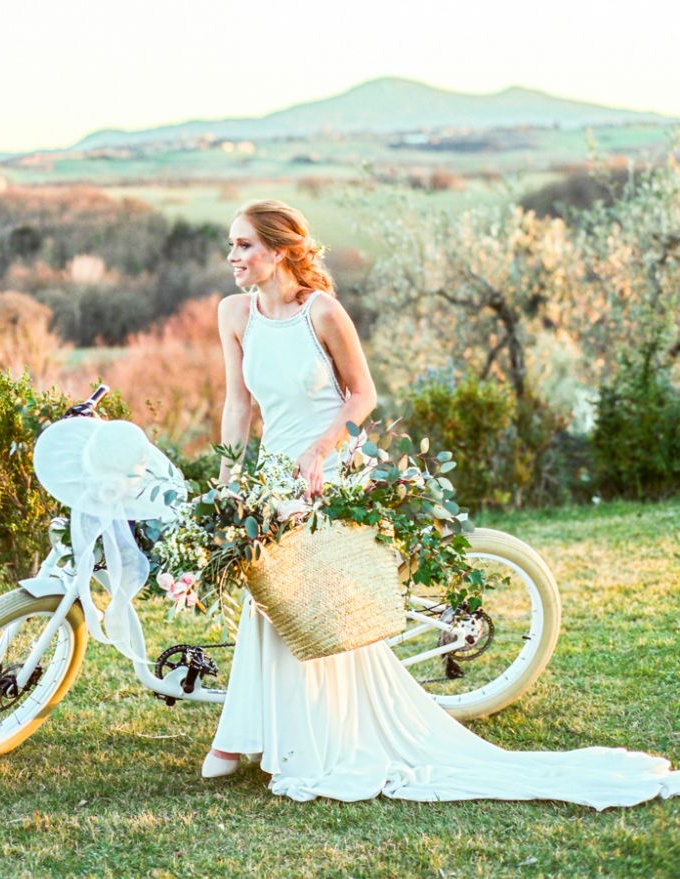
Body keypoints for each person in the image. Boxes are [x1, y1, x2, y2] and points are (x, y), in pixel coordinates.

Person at [199, 198, 680, 809]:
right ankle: (251, 735)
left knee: (312, 601)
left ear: (279, 250)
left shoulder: (322, 312)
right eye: (232, 244)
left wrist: (320, 452)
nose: (233, 256)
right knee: (268, 594)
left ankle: (275, 739)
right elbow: (238, 404)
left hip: (328, 471)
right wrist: (228, 481)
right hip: (271, 474)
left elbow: (363, 396)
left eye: (243, 244)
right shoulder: (234, 313)